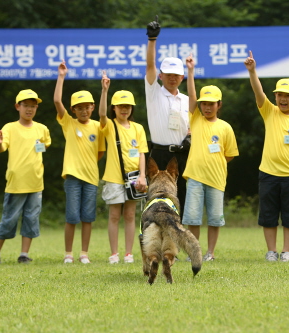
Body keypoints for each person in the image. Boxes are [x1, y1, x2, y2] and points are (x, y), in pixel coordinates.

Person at [244, 51, 289, 262]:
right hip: (268, 173)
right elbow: (258, 92)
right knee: (268, 216)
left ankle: (287, 252)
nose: (283, 99)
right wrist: (253, 71)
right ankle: (272, 251)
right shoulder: (270, 112)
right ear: (275, 96)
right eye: (280, 95)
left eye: (288, 95)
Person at [182, 55, 238, 261]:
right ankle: (193, 252)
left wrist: (215, 164)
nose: (207, 107)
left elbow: (229, 155)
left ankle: (210, 253)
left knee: (214, 219)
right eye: (203, 103)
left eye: (211, 104)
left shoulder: (225, 127)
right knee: (193, 218)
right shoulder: (195, 119)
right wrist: (190, 71)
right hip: (195, 178)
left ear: (219, 104)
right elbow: (190, 95)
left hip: (216, 179)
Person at [0, 89, 51, 264]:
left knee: (31, 219)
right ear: (18, 107)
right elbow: (1, 148)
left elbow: (44, 147)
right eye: (26, 106)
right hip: (16, 183)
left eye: (33, 106)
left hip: (36, 182)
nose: (29, 109)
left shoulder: (42, 129)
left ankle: (24, 254)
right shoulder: (9, 128)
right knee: (9, 218)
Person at [54, 60, 105, 264]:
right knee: (72, 216)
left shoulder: (98, 126)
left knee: (88, 217)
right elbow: (58, 102)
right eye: (79, 108)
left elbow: (100, 153)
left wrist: (104, 89)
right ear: (74, 110)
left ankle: (84, 253)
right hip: (73, 176)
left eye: (87, 107)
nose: (84, 111)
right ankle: (68, 253)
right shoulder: (69, 123)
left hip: (91, 178)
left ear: (92, 107)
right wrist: (61, 77)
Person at [99, 71, 148, 264]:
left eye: (128, 106)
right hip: (113, 177)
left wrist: (143, 176)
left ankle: (129, 253)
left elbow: (142, 152)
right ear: (114, 108)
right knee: (114, 215)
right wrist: (105, 90)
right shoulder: (110, 125)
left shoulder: (138, 128)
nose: (124, 109)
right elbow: (101, 114)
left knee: (129, 215)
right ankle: (114, 254)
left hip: (134, 178)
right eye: (120, 106)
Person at [145, 15, 190, 217]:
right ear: (161, 75)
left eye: (176, 75)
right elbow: (149, 66)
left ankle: (177, 241)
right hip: (159, 154)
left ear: (182, 77)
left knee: (183, 201)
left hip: (183, 154)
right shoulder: (154, 93)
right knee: (157, 203)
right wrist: (152, 40)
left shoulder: (187, 100)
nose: (172, 78)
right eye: (168, 74)